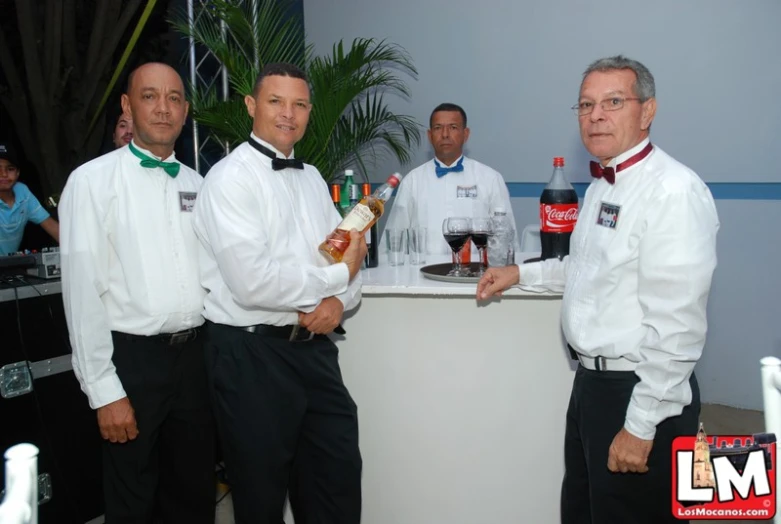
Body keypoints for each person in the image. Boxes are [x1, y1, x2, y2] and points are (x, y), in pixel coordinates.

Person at [476, 55, 719, 524]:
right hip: (591, 388)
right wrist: (521, 273)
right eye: (586, 105)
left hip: (641, 395)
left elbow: (678, 326)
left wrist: (641, 423)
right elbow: (586, 269)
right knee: (585, 511)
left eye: (613, 101)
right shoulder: (601, 186)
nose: (596, 115)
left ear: (647, 111)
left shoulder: (672, 191)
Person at [192, 62, 366, 524]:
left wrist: (337, 301)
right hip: (251, 356)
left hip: (314, 353)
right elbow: (254, 283)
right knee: (261, 497)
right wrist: (334, 284)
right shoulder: (230, 179)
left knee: (337, 482)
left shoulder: (312, 178)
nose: (288, 114)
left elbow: (348, 255)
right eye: (276, 101)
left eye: (299, 104)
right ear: (251, 106)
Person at [59, 62, 215, 524]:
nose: (163, 109)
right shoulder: (90, 182)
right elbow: (81, 295)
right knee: (133, 502)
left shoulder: (199, 184)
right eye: (150, 97)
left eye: (173, 98)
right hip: (130, 361)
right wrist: (104, 391)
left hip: (194, 362)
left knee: (193, 494)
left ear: (186, 111)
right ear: (128, 105)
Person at [382, 102, 517, 255]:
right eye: (438, 128)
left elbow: (507, 238)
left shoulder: (490, 179)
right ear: (429, 135)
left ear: (466, 134)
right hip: (421, 273)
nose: (445, 134)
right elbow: (393, 238)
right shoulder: (412, 181)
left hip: (476, 274)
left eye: (453, 127)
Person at [0, 142, 59, 255]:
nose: (4, 174)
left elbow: (51, 226)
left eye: (10, 168)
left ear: (17, 173)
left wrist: (82, 250)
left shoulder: (22, 192)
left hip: (8, 268)